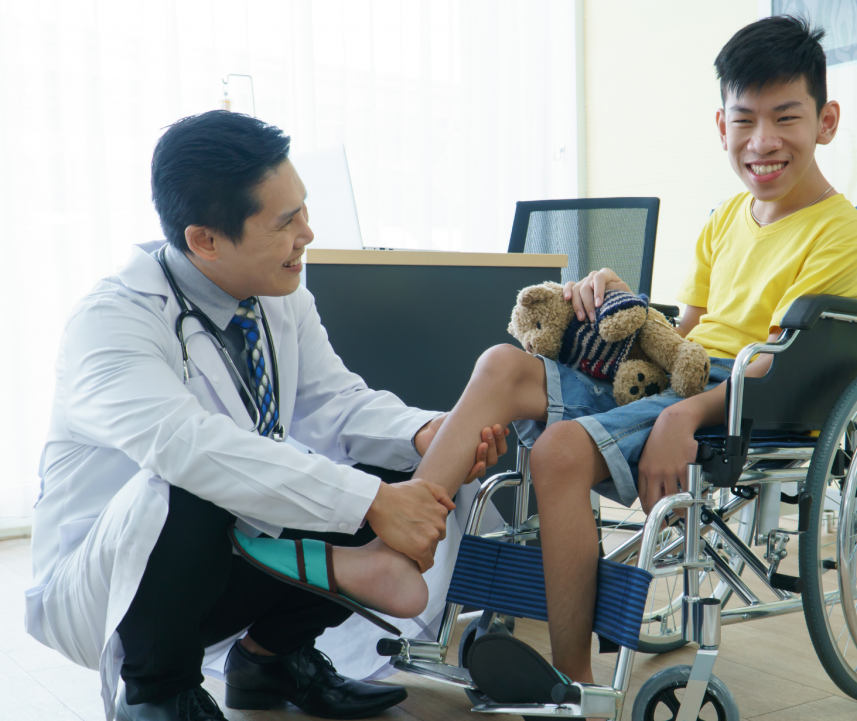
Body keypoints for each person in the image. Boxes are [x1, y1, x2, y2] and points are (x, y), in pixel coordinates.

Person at [392, 15, 857, 689]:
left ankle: (574, 681)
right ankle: (397, 551)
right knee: (501, 365)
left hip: (747, 391)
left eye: (785, 117)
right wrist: (620, 300)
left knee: (559, 453)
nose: (762, 140)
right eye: (744, 120)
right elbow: (685, 332)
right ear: (722, 126)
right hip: (683, 374)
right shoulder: (724, 220)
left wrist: (682, 415)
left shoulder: (838, 230)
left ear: (826, 122)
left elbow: (775, 363)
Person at [25, 110, 509, 721]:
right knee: (193, 485)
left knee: (391, 470)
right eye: (285, 222)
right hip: (121, 581)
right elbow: (189, 447)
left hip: (228, 555)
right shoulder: (111, 322)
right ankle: (158, 692)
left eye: (303, 210)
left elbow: (334, 403)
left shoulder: (278, 294)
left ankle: (271, 660)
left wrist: (421, 433)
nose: (307, 233)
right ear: (205, 240)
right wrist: (369, 503)